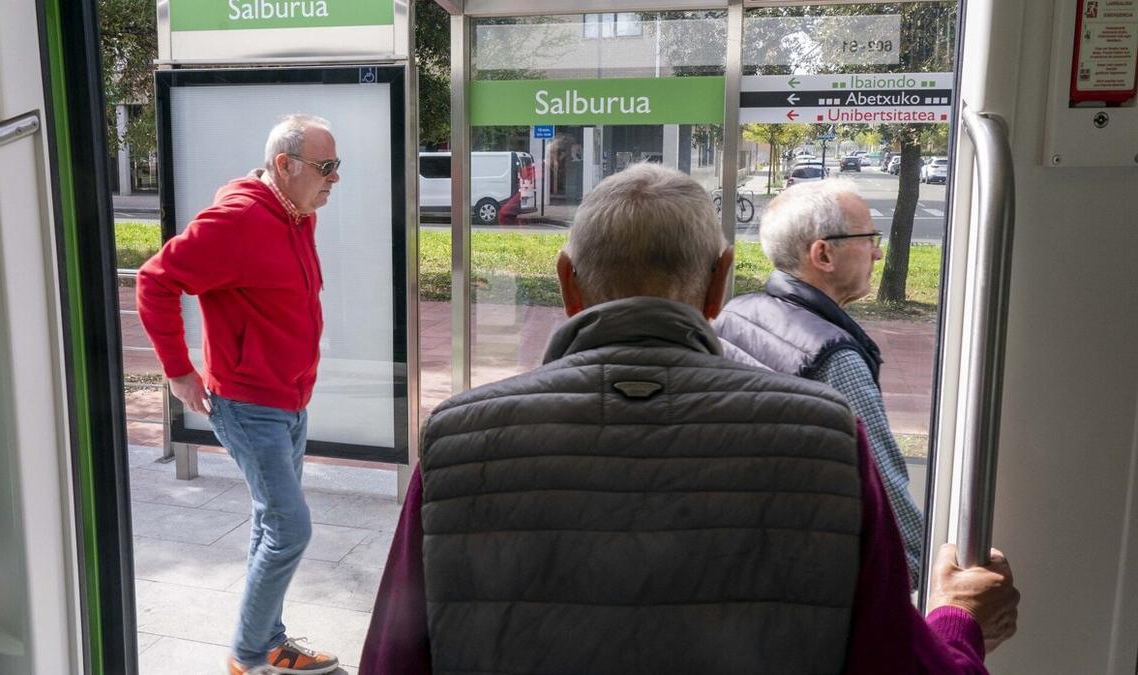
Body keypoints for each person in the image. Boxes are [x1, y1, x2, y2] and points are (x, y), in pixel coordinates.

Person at [358, 164, 1019, 674]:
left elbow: (390, 660)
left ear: (567, 283)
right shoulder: (827, 438)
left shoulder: (456, 441)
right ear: (717, 284)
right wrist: (958, 618)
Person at [137, 114, 342, 675]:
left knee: (269, 522)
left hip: (289, 401)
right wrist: (178, 371)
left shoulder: (296, 216)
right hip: (249, 405)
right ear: (285, 165)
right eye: (327, 167)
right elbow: (156, 279)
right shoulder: (238, 220)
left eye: (336, 166)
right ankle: (248, 656)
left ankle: (269, 641)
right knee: (289, 528)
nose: (334, 178)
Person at [713, 178, 926, 587]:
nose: (879, 252)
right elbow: (903, 543)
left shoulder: (738, 314)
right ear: (823, 254)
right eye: (869, 239)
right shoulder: (834, 360)